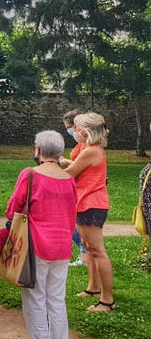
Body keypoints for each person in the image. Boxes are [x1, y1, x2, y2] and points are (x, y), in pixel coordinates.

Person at [6, 131, 77, 339]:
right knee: (57, 298)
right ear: (60, 152)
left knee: (35, 297)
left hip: (36, 244)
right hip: (63, 245)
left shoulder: (30, 175)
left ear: (37, 149)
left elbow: (13, 209)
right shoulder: (68, 178)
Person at [63, 112, 115, 312]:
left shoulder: (92, 151)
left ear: (86, 131)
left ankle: (107, 300)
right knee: (88, 247)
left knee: (97, 250)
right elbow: (76, 166)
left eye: (76, 127)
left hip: (91, 204)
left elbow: (69, 173)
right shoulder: (86, 148)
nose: (74, 131)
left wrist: (48, 164)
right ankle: (93, 288)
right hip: (83, 202)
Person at [60, 109, 88, 267]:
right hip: (75, 186)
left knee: (74, 223)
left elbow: (82, 167)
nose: (69, 132)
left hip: (81, 189)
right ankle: (84, 253)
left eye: (70, 128)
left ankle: (85, 253)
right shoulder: (80, 145)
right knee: (72, 223)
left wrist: (65, 163)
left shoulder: (87, 147)